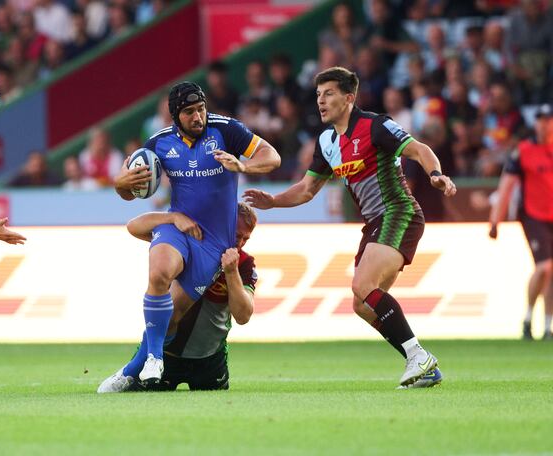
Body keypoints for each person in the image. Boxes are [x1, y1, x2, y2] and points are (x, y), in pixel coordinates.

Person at [244, 67, 455, 388]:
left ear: (349, 98)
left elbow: (419, 150)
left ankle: (419, 359)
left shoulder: (376, 126)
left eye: (328, 93)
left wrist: (435, 173)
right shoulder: (327, 141)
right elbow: (306, 189)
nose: (321, 101)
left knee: (363, 285)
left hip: (398, 213)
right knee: (362, 302)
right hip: (375, 223)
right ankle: (420, 359)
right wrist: (272, 201)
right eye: (318, 95)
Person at [103, 81, 280, 389]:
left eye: (201, 109)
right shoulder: (158, 143)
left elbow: (272, 157)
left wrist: (244, 164)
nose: (198, 117)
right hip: (178, 227)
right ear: (175, 116)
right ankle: (154, 360)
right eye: (189, 112)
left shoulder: (227, 130)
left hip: (212, 242)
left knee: (172, 315)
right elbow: (129, 193)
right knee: (159, 272)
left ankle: (133, 369)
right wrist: (121, 183)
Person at [101, 202, 257, 393]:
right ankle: (139, 365)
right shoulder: (191, 242)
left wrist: (232, 273)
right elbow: (134, 226)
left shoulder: (244, 263)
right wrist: (173, 217)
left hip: (209, 359)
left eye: (245, 239)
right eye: (236, 235)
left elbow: (243, 316)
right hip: (168, 356)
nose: (239, 243)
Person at [489, 104, 553, 340]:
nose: (544, 124)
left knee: (551, 272)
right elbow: (506, 186)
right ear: (535, 123)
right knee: (544, 267)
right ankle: (527, 317)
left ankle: (547, 326)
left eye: (548, 119)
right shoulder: (523, 151)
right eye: (540, 119)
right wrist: (495, 219)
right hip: (534, 215)